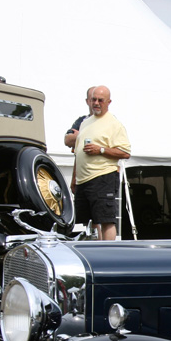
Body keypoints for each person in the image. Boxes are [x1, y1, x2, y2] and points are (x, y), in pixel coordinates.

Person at [71, 85, 131, 241]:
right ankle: (95, 251)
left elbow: (125, 152)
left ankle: (108, 255)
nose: (96, 103)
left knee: (106, 219)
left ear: (109, 102)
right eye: (93, 99)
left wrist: (101, 150)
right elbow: (77, 153)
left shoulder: (114, 124)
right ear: (89, 101)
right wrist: (74, 179)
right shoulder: (85, 123)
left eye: (100, 100)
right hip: (83, 180)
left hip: (103, 177)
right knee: (89, 221)